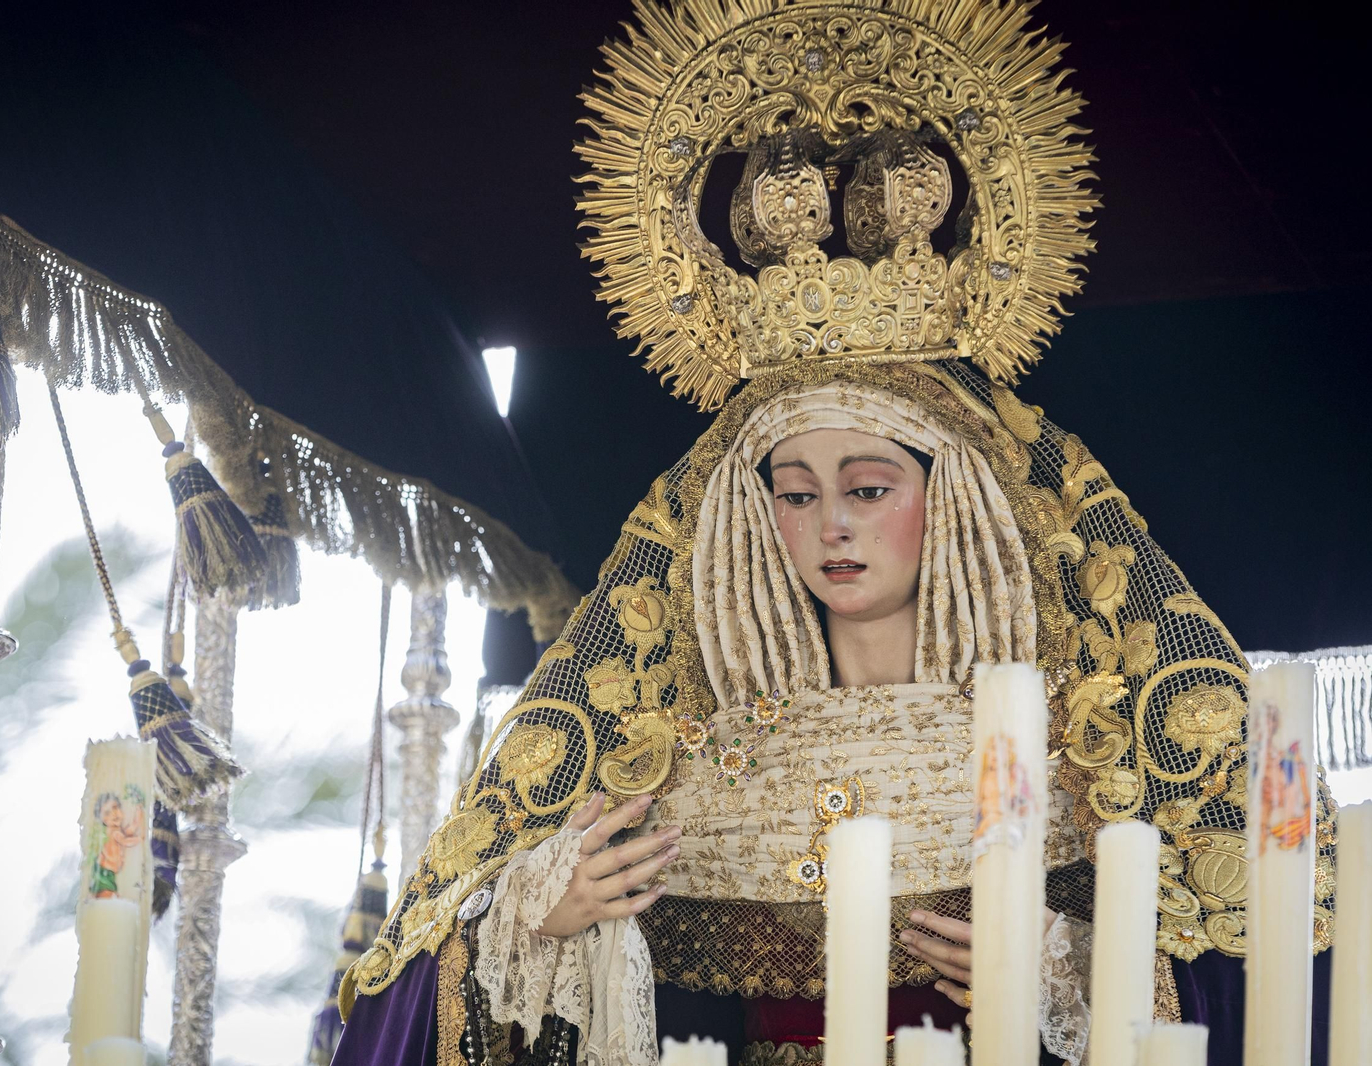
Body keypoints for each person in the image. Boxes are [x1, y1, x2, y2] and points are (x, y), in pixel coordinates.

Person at [331, 2, 1339, 1063]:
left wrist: (1074, 961)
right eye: (796, 492)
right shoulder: (691, 767)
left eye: (867, 486)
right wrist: (540, 916)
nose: (832, 526)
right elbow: (416, 995)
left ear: (953, 502)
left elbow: (1281, 970)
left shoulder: (1078, 765)